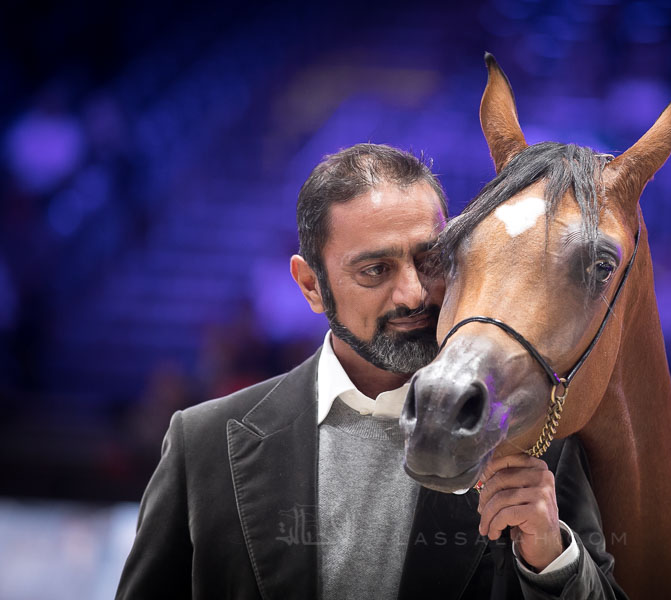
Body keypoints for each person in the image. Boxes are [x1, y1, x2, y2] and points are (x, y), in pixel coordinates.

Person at [116, 143, 626, 599]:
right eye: (375, 270)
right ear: (311, 286)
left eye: (430, 260)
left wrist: (553, 561)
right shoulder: (202, 444)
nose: (413, 294)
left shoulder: (539, 437)